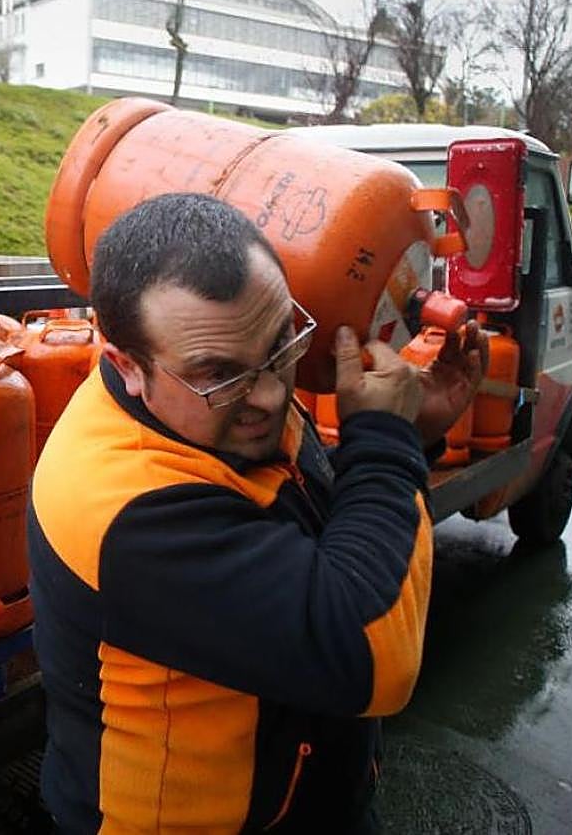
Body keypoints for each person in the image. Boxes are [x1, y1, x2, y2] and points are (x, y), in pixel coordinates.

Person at [28, 193, 486, 834]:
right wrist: (385, 444)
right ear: (127, 367)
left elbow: (311, 510)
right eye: (221, 375)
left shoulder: (217, 407)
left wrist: (415, 435)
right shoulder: (124, 509)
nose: (271, 396)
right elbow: (372, 651)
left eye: (281, 345)